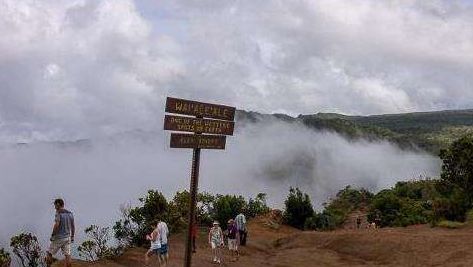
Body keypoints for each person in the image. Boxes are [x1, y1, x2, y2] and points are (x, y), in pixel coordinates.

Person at [45, 198, 75, 267]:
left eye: (55, 205)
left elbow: (57, 225)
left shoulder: (58, 213)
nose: (55, 207)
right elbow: (73, 226)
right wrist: (72, 236)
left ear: (58, 204)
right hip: (67, 237)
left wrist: (52, 235)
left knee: (49, 253)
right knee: (67, 255)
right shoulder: (70, 214)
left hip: (58, 238)